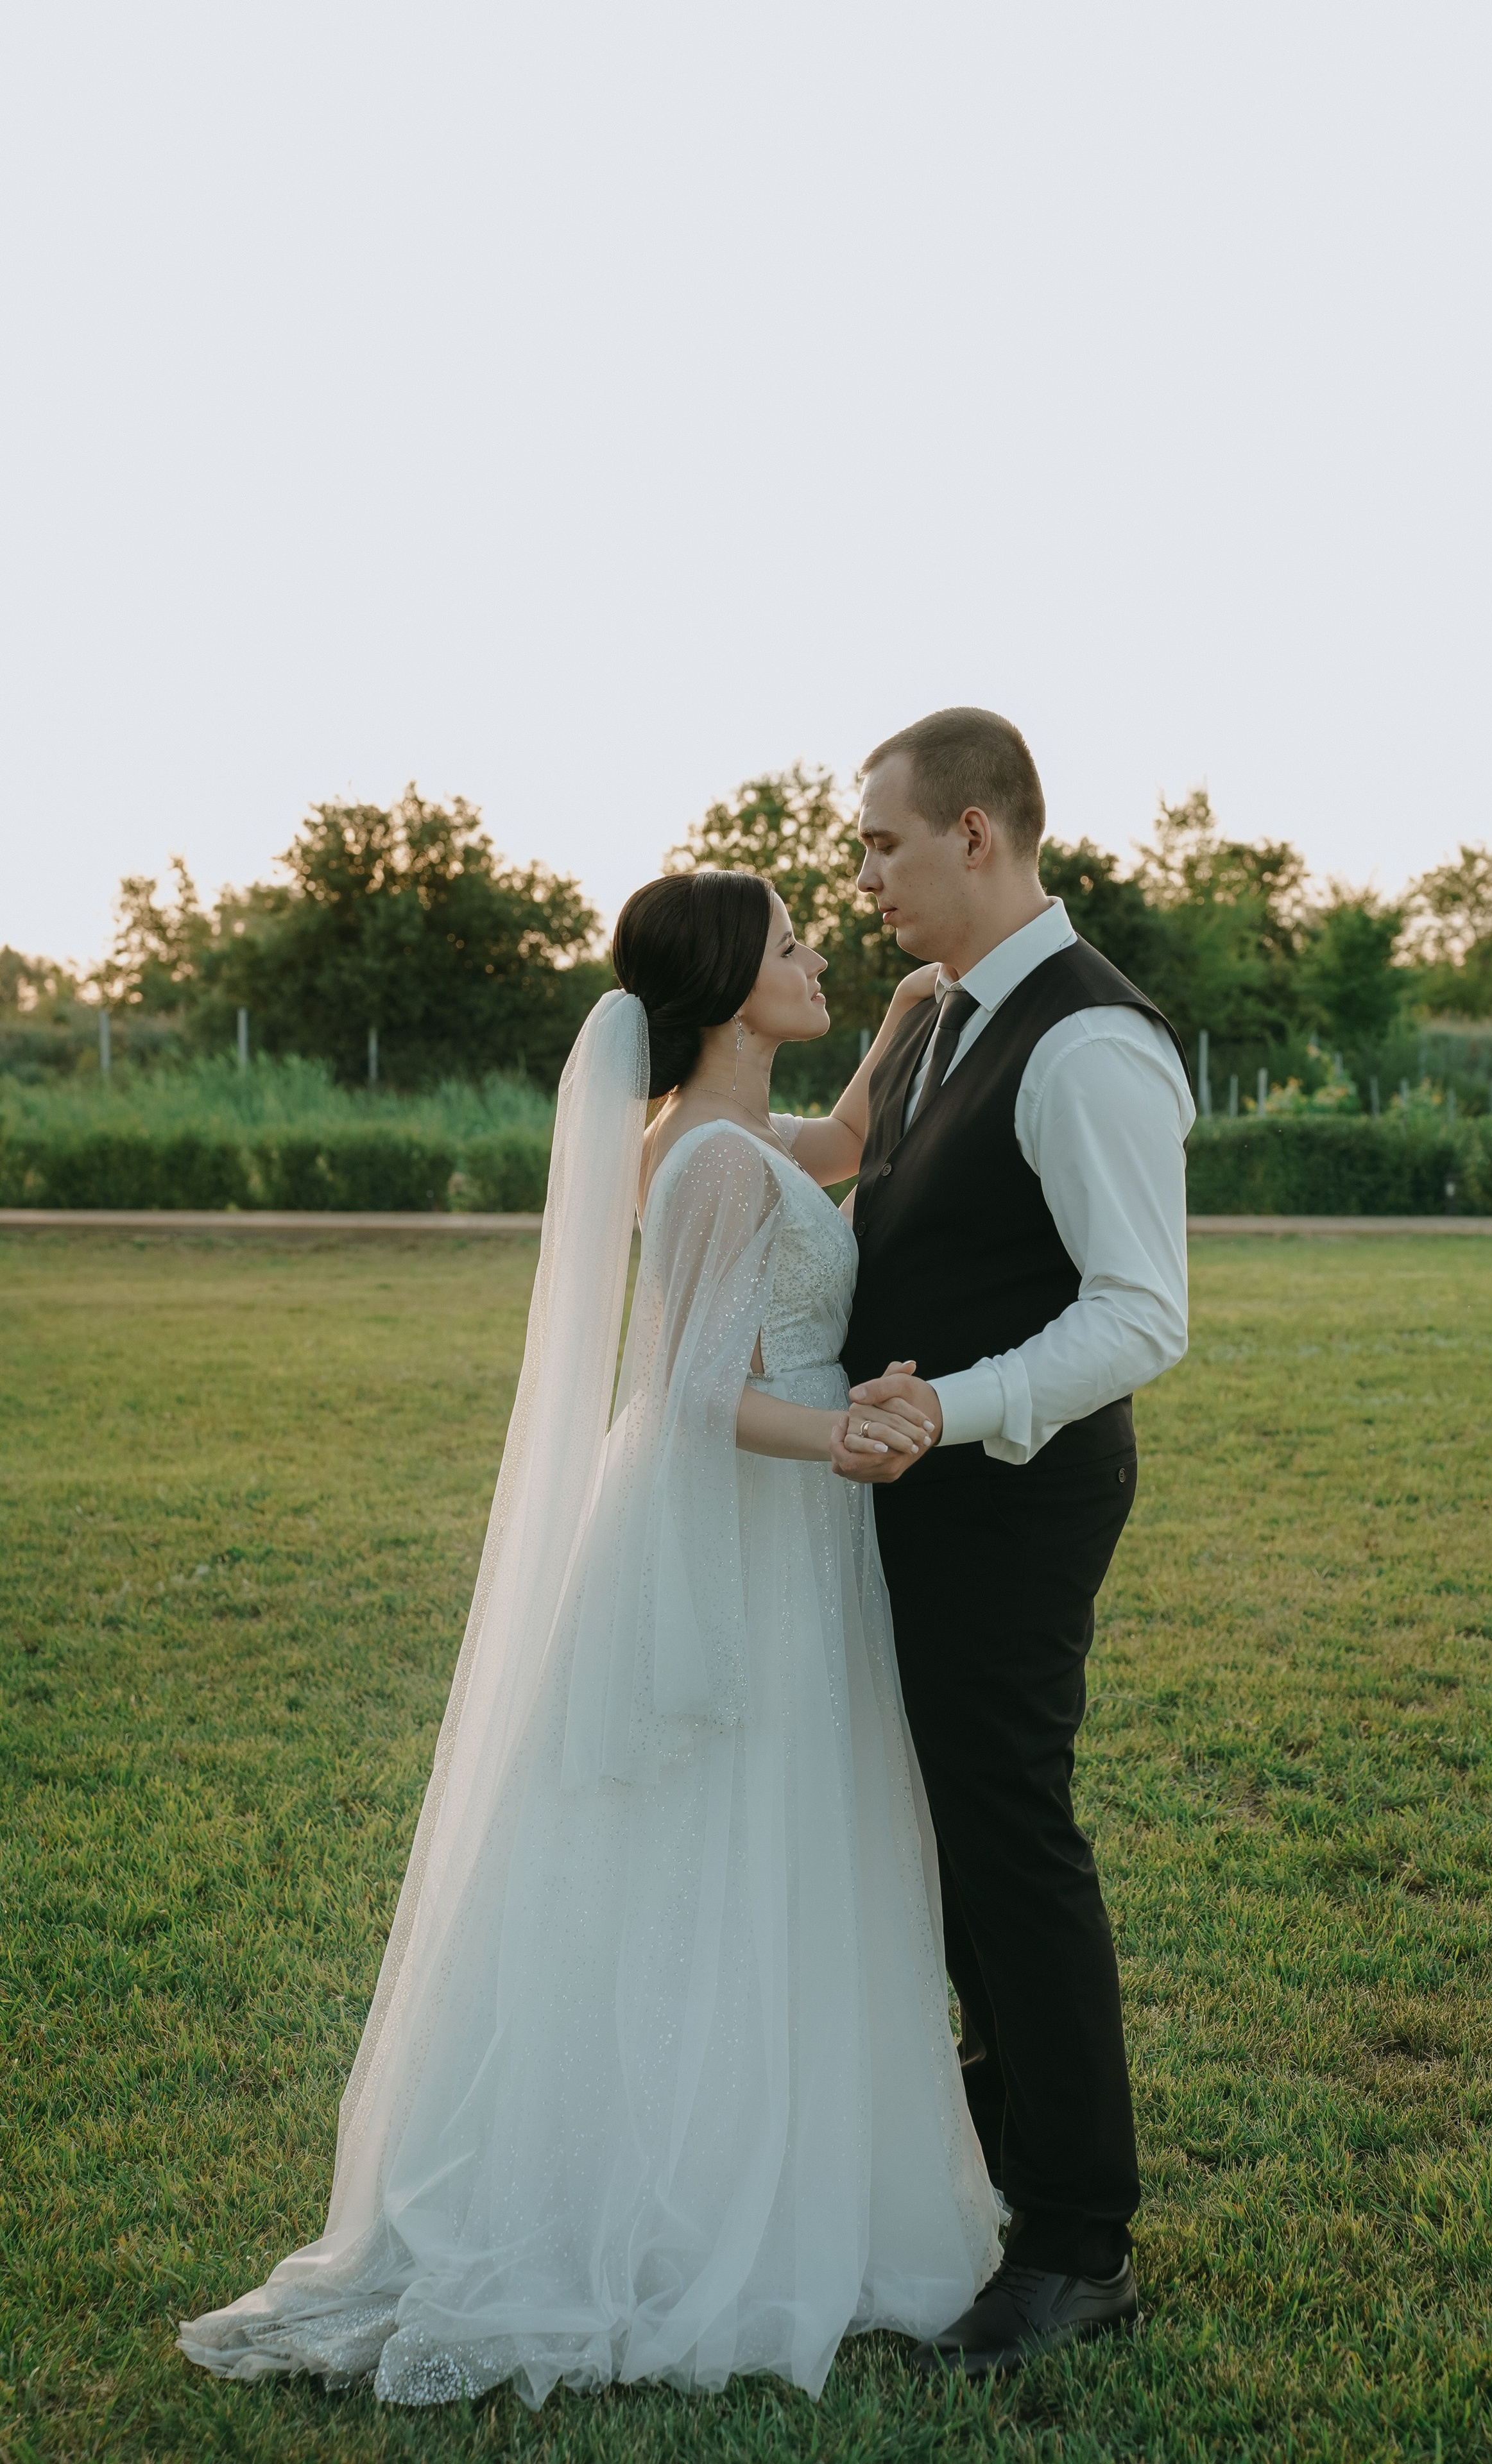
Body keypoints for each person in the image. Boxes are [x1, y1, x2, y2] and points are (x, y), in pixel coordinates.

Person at [178, 867, 1000, 2409]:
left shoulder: (725, 1139)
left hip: (780, 1524)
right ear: (723, 982)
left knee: (764, 1843)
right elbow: (695, 1399)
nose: (817, 949)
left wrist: (891, 1027)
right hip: (752, 1526)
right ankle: (673, 2201)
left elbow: (835, 1148)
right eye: (790, 942)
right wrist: (847, 1440)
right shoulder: (698, 1166)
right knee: (725, 1850)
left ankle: (764, 2159)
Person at [834, 707, 1193, 2377]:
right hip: (919, 1491)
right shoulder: (934, 1023)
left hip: (1015, 1499)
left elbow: (1138, 1316)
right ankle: (988, 2160)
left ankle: (1077, 2239)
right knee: (946, 1844)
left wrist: (949, 1411)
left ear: (979, 833)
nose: (867, 878)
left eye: (885, 844)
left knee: (1008, 1837)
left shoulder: (1090, 1043)